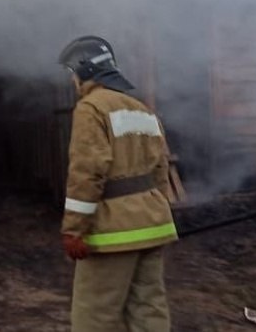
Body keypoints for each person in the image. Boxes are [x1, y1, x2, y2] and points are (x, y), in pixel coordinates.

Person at [57, 35, 177, 332]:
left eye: (73, 74)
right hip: (153, 225)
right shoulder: (142, 109)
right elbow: (161, 169)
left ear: (84, 71)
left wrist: (74, 229)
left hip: (112, 233)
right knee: (149, 311)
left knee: (95, 317)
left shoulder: (91, 108)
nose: (73, 82)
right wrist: (156, 210)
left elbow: (88, 172)